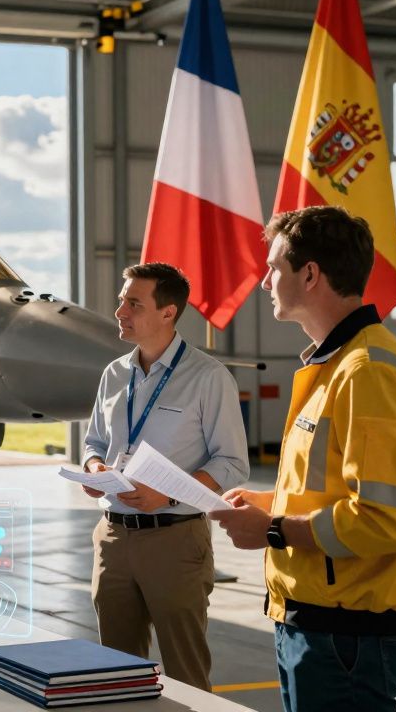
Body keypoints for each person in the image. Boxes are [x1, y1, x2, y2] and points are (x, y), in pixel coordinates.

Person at [211, 206, 396, 712]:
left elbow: (387, 520)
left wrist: (272, 528)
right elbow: (335, 489)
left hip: (350, 634)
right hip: (319, 621)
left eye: (275, 268)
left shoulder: (368, 373)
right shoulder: (336, 366)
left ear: (310, 274)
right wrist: (268, 503)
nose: (266, 281)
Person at [80, 262, 249, 691]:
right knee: (114, 673)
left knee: (186, 673)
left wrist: (168, 496)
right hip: (113, 539)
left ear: (168, 312)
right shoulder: (113, 374)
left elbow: (231, 463)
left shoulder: (209, 377)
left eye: (133, 303)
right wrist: (93, 468)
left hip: (175, 540)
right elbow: (94, 442)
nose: (120, 311)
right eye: (122, 301)